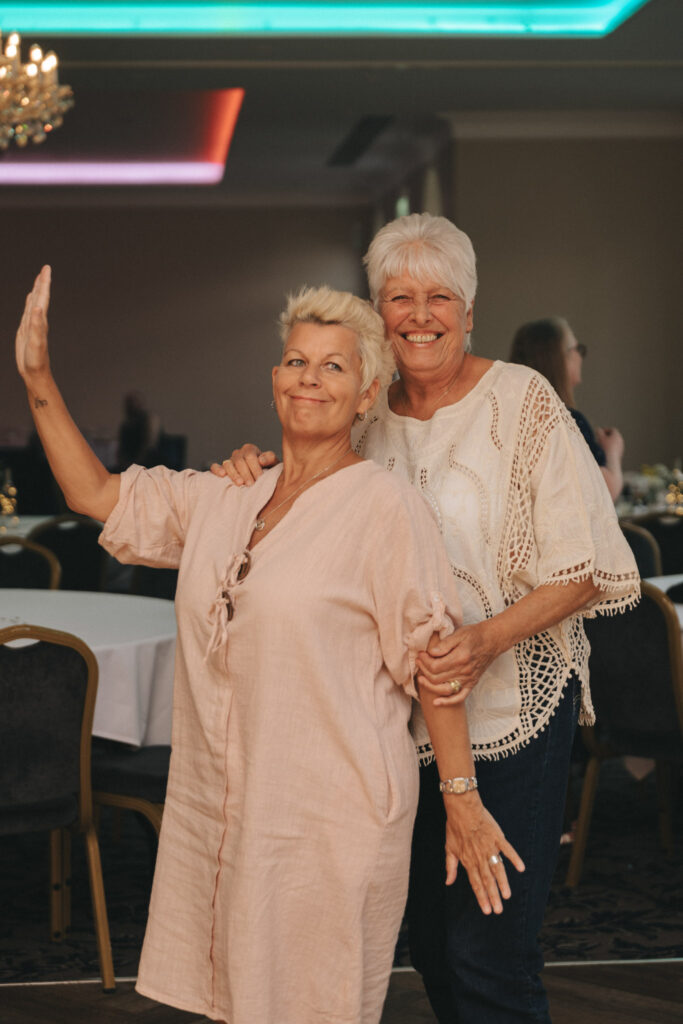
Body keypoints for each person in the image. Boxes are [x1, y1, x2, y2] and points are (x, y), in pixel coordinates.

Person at [15, 268, 523, 1024]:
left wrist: (461, 800)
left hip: (330, 820)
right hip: (226, 816)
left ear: (365, 394)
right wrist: (37, 377)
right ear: (274, 378)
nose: (308, 378)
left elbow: (433, 664)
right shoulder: (224, 496)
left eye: (333, 366)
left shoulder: (387, 509)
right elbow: (96, 495)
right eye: (295, 361)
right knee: (234, 1003)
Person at [216, 213, 640, 1023]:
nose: (418, 313)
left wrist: (484, 639)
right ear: (376, 313)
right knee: (430, 948)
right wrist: (247, 467)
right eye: (397, 297)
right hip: (390, 726)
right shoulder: (360, 411)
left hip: (512, 714)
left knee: (490, 950)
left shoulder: (524, 401)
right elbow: (298, 489)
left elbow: (584, 565)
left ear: (469, 310)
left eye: (437, 296)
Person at [509, 317, 625, 500]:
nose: (580, 356)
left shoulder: (510, 417)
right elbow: (605, 491)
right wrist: (612, 450)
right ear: (557, 359)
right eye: (577, 349)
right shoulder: (567, 421)